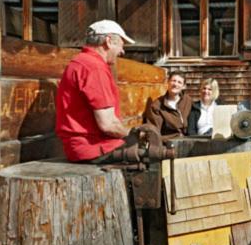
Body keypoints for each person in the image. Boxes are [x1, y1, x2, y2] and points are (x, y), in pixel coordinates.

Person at [55, 20, 135, 162]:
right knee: (152, 156)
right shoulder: (94, 67)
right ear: (109, 41)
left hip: (83, 148)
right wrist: (135, 134)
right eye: (121, 46)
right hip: (94, 148)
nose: (122, 52)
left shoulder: (81, 62)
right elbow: (108, 125)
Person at [144, 71, 193, 141]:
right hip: (168, 142)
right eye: (173, 81)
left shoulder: (187, 100)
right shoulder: (157, 105)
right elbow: (154, 131)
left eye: (179, 82)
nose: (175, 84)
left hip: (188, 139)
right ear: (168, 82)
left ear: (183, 86)